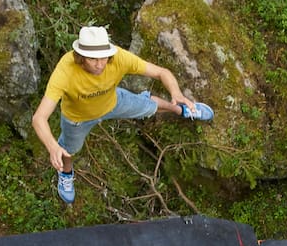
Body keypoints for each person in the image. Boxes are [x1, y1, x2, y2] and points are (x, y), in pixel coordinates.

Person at [32, 26, 214, 204]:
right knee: (67, 151)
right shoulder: (66, 70)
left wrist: (176, 93)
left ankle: (181, 109)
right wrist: (52, 146)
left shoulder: (118, 58)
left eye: (104, 57)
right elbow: (39, 118)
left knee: (149, 107)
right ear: (80, 57)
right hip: (78, 119)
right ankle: (66, 174)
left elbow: (161, 72)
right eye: (93, 59)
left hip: (113, 103)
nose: (100, 64)